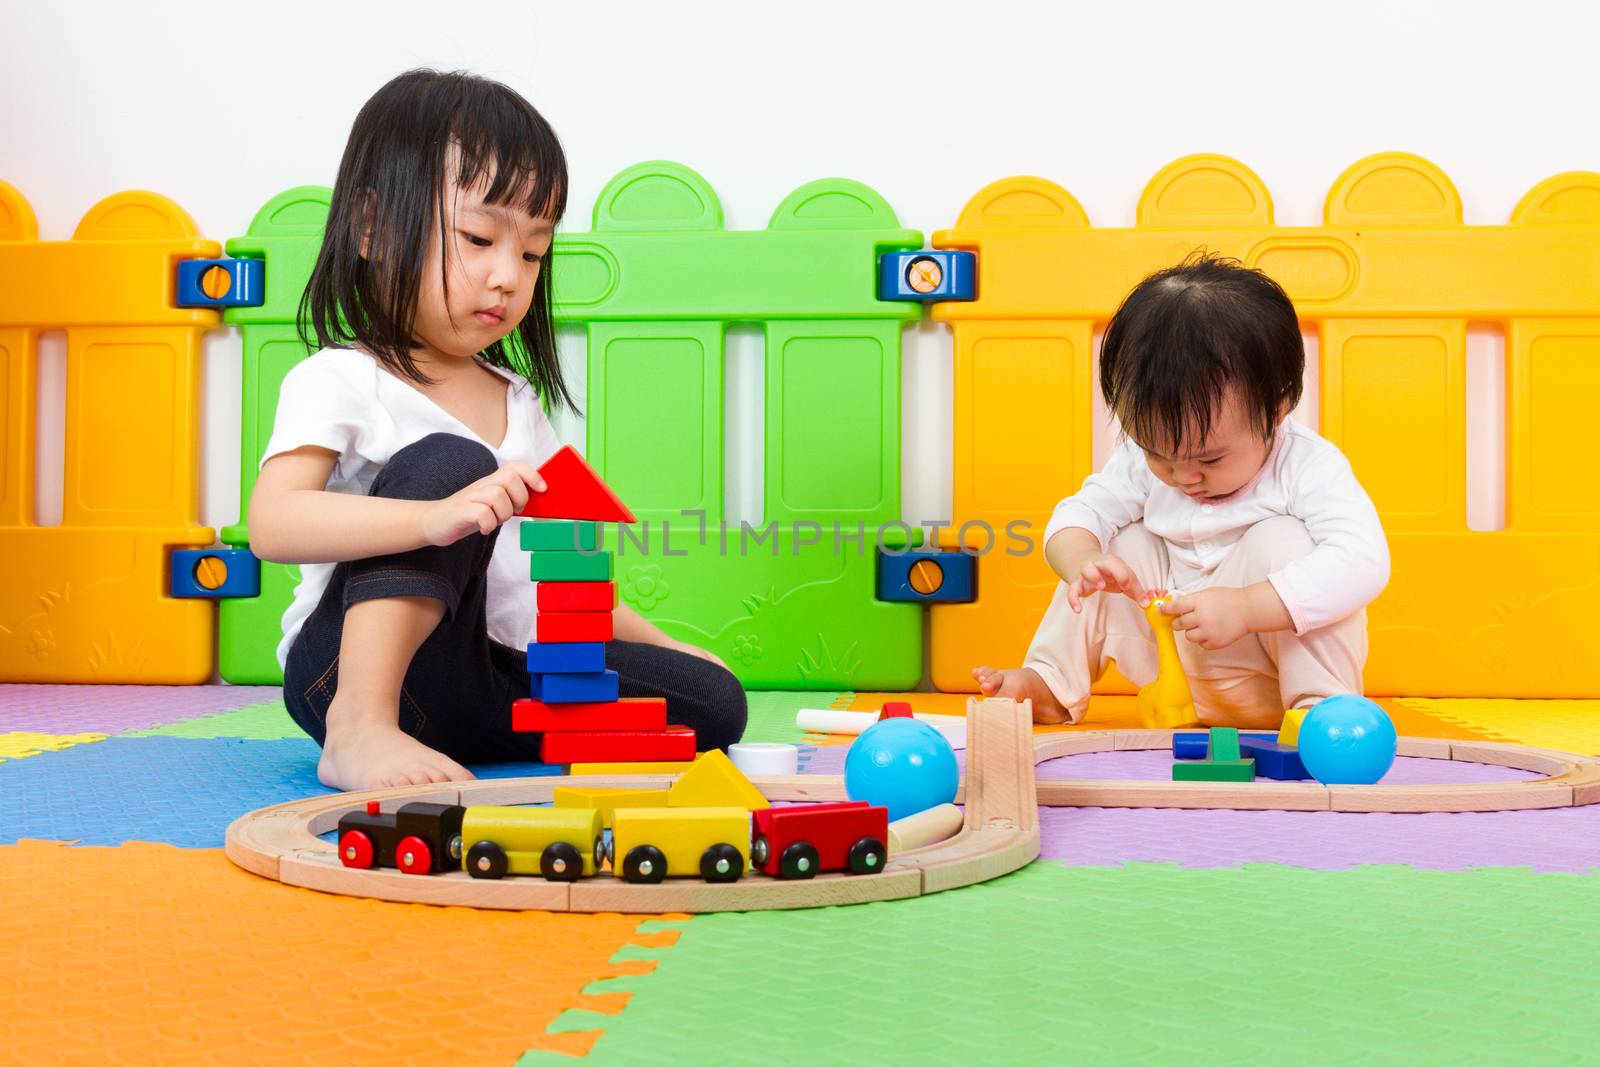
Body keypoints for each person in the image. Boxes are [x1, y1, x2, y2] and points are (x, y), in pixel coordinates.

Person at [250, 69, 746, 791]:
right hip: (344, 674)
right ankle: (360, 729)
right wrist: (431, 518)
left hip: (490, 680)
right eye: (480, 236)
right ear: (370, 227)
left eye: (532, 252)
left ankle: (476, 737)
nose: (508, 275)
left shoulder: (518, 402)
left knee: (714, 700)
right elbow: (273, 522)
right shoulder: (343, 380)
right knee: (452, 462)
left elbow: (558, 574)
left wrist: (669, 646)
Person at [974, 254, 1389, 729]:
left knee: (1286, 542)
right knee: (1114, 552)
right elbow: (1079, 513)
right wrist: (1082, 561)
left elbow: (1364, 560)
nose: (1181, 476)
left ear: (1278, 407)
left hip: (1271, 685)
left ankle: (1322, 707)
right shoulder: (1142, 462)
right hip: (1172, 676)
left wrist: (1249, 606)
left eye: (1209, 459)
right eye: (1158, 454)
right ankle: (1051, 683)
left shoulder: (1307, 466)